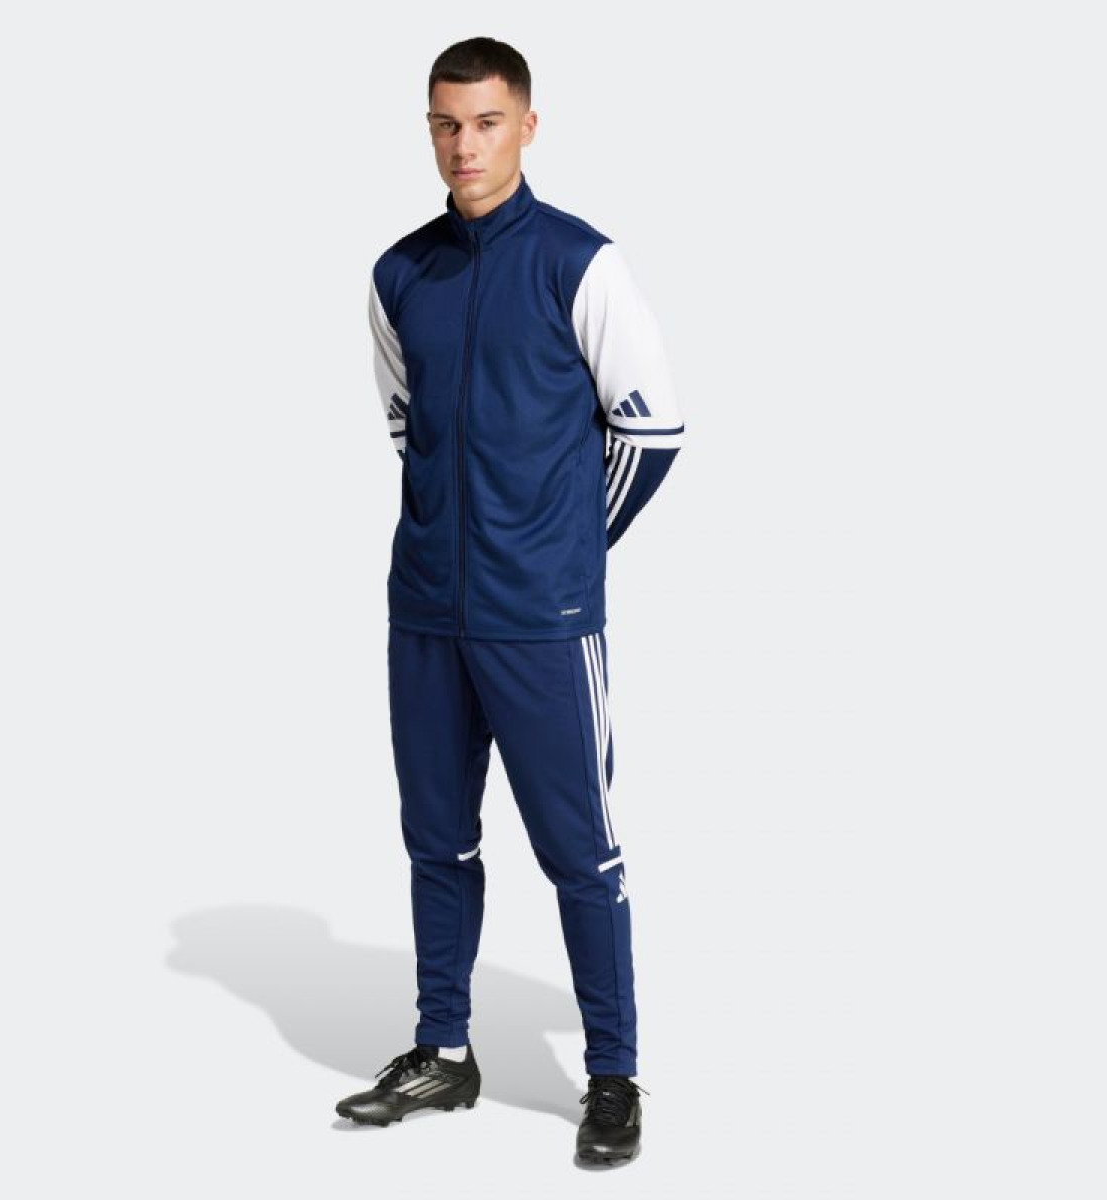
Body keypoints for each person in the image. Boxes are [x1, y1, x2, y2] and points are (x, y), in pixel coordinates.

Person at [335, 37, 684, 1166]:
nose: (464, 145)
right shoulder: (400, 274)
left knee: (582, 853)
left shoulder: (581, 262)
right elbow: (409, 428)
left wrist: (560, 551)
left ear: (527, 126)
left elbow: (653, 429)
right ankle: (445, 1048)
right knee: (436, 842)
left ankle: (613, 1074)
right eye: (446, 123)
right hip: (427, 615)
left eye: (486, 122)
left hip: (541, 622)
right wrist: (458, 540)